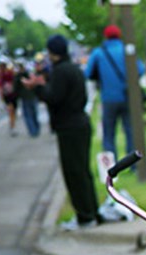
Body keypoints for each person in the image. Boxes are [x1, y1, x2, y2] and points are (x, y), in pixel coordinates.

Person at [27, 35, 102, 230]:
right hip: (80, 123)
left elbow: (54, 97)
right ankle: (92, 211)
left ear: (53, 52)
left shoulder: (60, 71)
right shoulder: (74, 69)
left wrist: (38, 88)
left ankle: (85, 216)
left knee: (74, 173)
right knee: (83, 171)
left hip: (69, 127)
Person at [85, 24, 142, 156]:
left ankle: (112, 164)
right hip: (127, 96)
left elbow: (88, 73)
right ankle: (132, 162)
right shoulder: (126, 50)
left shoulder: (99, 53)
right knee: (130, 131)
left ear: (105, 36)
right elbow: (140, 69)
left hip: (108, 98)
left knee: (109, 133)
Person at [14, 61, 41, 136]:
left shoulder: (18, 76)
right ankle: (36, 128)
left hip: (25, 97)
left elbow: (15, 88)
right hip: (32, 96)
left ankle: (33, 131)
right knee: (34, 113)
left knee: (28, 115)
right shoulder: (30, 74)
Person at [0, 59, 17, 134]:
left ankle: (12, 126)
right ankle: (12, 127)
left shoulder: (10, 72)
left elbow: (15, 80)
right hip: (7, 95)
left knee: (13, 111)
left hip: (13, 94)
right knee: (11, 111)